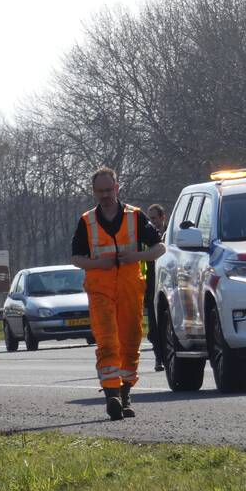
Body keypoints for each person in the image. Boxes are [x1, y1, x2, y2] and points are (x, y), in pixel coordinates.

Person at [72, 167, 164, 420]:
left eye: (108, 190)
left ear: (117, 188)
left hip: (130, 288)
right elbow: (76, 257)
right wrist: (98, 264)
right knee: (107, 340)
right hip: (100, 289)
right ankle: (111, 394)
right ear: (94, 192)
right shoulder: (86, 221)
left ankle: (124, 394)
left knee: (130, 341)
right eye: (100, 191)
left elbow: (160, 248)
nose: (105, 195)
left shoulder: (135, 217)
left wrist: (137, 256)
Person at [144, 203, 168, 372]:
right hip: (151, 284)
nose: (151, 222)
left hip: (167, 283)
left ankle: (168, 356)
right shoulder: (146, 237)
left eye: (154, 218)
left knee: (165, 323)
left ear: (162, 217)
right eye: (149, 218)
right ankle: (158, 358)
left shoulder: (169, 235)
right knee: (153, 325)